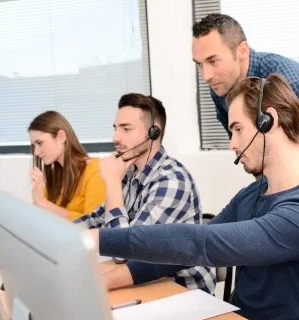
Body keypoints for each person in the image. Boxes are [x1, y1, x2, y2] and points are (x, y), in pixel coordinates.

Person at [90, 75, 299, 320]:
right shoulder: (252, 194)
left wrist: (95, 239)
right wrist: (102, 282)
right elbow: (181, 252)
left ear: (269, 121)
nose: (232, 144)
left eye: (237, 129)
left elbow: (202, 244)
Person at [192, 13, 299, 216]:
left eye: (213, 61)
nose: (206, 75)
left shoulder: (291, 80)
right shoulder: (220, 86)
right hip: (281, 173)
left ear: (242, 50)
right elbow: (249, 147)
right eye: (199, 64)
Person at [74, 93, 216, 294]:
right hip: (148, 284)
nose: (115, 137)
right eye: (115, 128)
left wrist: (112, 182)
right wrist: (55, 237)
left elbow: (126, 252)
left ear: (153, 132)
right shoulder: (128, 173)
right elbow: (95, 220)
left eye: (126, 128)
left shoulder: (172, 180)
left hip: (182, 292)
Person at [0, 110, 105, 226]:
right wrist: (2, 221)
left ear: (61, 137)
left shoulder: (96, 171)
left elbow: (93, 225)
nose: (36, 152)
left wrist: (43, 203)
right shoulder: (57, 174)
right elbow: (35, 210)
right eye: (34, 145)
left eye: (40, 143)